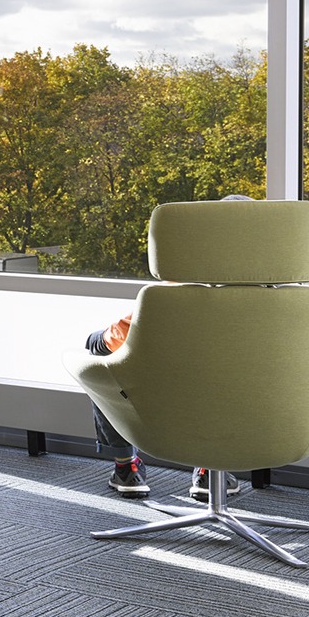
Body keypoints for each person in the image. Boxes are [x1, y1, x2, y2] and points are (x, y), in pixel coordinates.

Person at [82, 194, 254, 504]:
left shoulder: (171, 293)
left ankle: (126, 466)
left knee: (98, 350)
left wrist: (97, 340)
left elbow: (113, 341)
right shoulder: (296, 301)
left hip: (169, 405)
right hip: (264, 413)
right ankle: (210, 468)